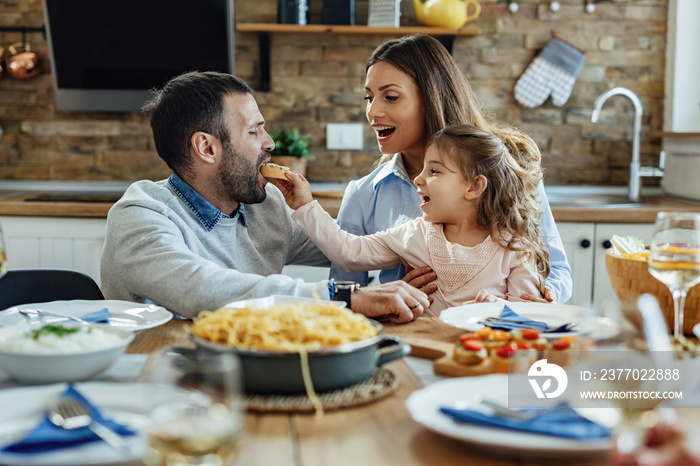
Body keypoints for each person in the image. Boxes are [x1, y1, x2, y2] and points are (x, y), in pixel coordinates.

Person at [100, 71, 429, 322]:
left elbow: (348, 247)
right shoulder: (140, 215)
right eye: (254, 130)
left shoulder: (267, 207)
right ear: (207, 148)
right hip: (158, 378)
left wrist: (436, 242)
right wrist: (345, 297)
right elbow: (202, 290)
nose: (269, 142)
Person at [331, 34, 572, 304]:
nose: (372, 112)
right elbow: (344, 299)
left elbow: (557, 269)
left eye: (390, 97)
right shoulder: (364, 194)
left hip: (494, 338)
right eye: (368, 98)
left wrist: (543, 296)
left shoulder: (511, 167)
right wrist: (390, 296)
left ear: (432, 97)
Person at [279, 124, 550, 313]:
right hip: (420, 350)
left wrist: (499, 309)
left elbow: (524, 319)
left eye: (434, 171)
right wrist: (305, 205)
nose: (418, 179)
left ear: (474, 187)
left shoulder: (515, 248)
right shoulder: (415, 234)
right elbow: (350, 252)